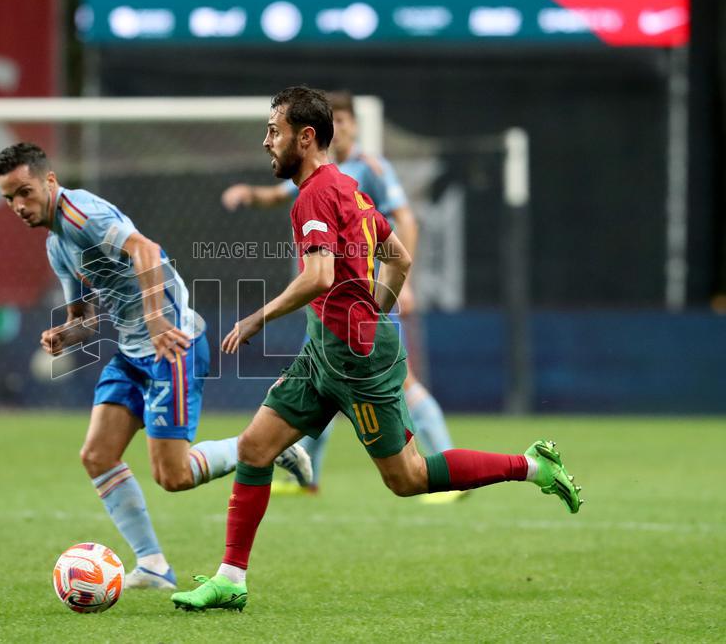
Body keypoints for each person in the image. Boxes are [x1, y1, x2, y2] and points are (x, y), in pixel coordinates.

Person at [171, 86, 582, 612]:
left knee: (408, 478)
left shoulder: (316, 195)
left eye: (274, 131)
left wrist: (258, 317)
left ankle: (531, 465)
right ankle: (231, 579)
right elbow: (400, 256)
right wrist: (371, 307)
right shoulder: (346, 187)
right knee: (255, 449)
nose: (266, 141)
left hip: (358, 362)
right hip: (328, 350)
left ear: (306, 136)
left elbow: (319, 276)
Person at [0, 143, 311, 590]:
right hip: (131, 352)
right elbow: (84, 319)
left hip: (172, 344)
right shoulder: (56, 244)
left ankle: (261, 448)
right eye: (9, 198)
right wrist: (65, 335)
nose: (18, 206)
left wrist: (158, 320)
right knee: (97, 456)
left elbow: (146, 249)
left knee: (173, 476)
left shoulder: (82, 215)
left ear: (49, 181)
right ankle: (154, 566)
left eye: (24, 192)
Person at [222, 91, 461, 503]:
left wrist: (397, 288)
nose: (268, 140)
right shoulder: (322, 177)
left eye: (349, 120)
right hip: (329, 307)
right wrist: (249, 193)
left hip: (356, 298)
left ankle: (447, 462)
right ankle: (305, 477)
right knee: (320, 384)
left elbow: (402, 221)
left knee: (404, 389)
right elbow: (283, 196)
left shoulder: (365, 169)